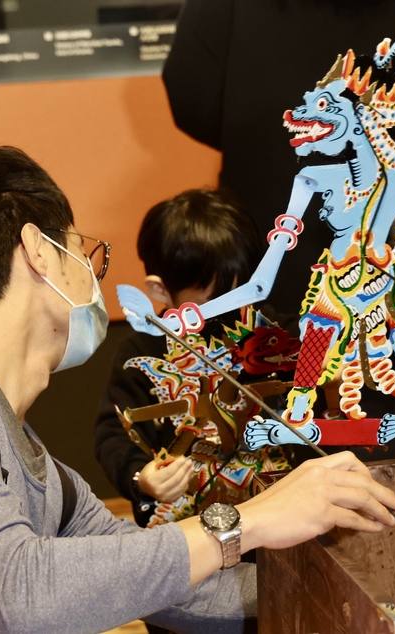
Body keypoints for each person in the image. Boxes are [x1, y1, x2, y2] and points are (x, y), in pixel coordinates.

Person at [0, 146, 395, 633]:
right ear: (39, 251)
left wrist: (358, 600)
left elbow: (177, 590)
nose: (93, 275)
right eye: (82, 250)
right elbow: (19, 594)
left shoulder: (40, 472)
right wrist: (245, 523)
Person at [162, 0, 395, 312]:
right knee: (388, 346)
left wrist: (269, 138)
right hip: (384, 241)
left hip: (266, 220)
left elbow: (190, 95)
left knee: (264, 344)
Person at [94, 189, 265, 528]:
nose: (229, 308)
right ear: (160, 291)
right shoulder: (140, 351)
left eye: (241, 290)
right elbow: (111, 432)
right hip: (187, 525)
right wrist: (141, 478)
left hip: (270, 513)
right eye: (213, 298)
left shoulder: (267, 329)